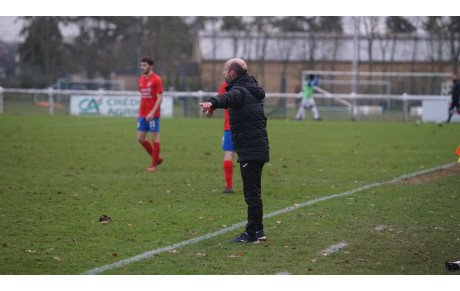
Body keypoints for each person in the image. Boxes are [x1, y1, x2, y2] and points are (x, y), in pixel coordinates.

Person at [200, 58, 269, 243]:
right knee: (254, 192)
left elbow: (227, 97)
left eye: (225, 69)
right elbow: (228, 97)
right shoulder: (250, 87)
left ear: (232, 73)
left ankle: (251, 233)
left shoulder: (240, 90)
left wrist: (212, 102)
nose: (222, 72)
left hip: (250, 147)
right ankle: (259, 230)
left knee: (251, 194)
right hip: (256, 146)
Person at [206, 82, 236, 194]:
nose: (224, 72)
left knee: (229, 154)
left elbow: (219, 99)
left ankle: (229, 186)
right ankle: (252, 186)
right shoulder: (249, 83)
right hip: (247, 127)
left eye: (226, 70)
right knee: (247, 157)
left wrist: (210, 110)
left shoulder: (227, 84)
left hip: (230, 126)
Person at [137, 56, 164, 172]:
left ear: (151, 66)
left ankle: (154, 165)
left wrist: (152, 113)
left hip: (153, 115)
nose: (142, 67)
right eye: (141, 65)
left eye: (144, 65)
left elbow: (160, 99)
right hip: (143, 114)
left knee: (154, 138)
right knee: (140, 138)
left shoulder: (157, 79)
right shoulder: (141, 80)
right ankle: (157, 158)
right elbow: (142, 98)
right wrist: (139, 113)